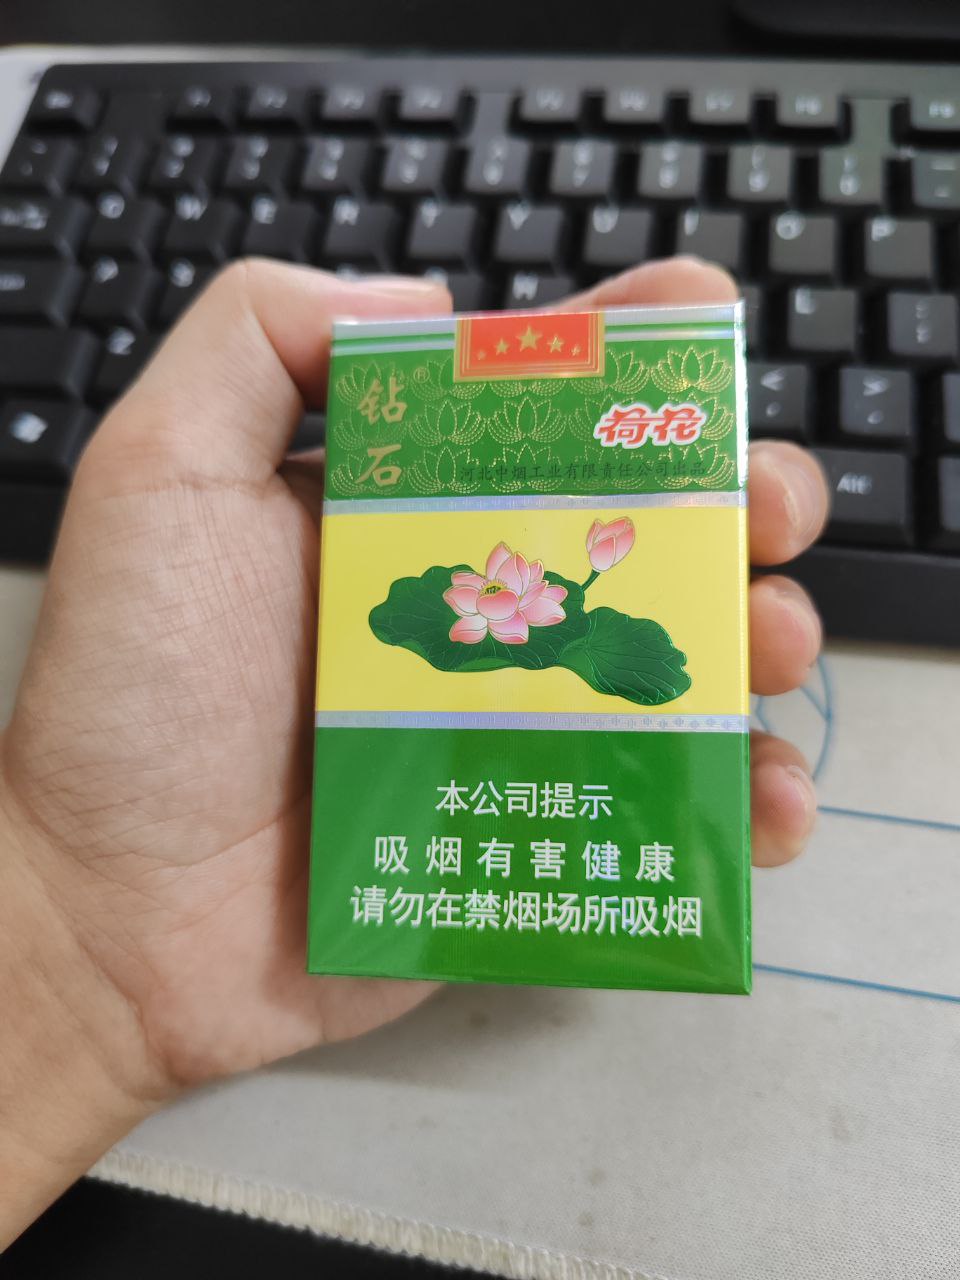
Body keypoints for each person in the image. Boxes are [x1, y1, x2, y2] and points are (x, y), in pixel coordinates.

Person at [0, 257, 828, 1247]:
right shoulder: (477, 593)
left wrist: (77, 962)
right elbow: (500, 605)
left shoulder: (553, 601)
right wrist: (77, 933)